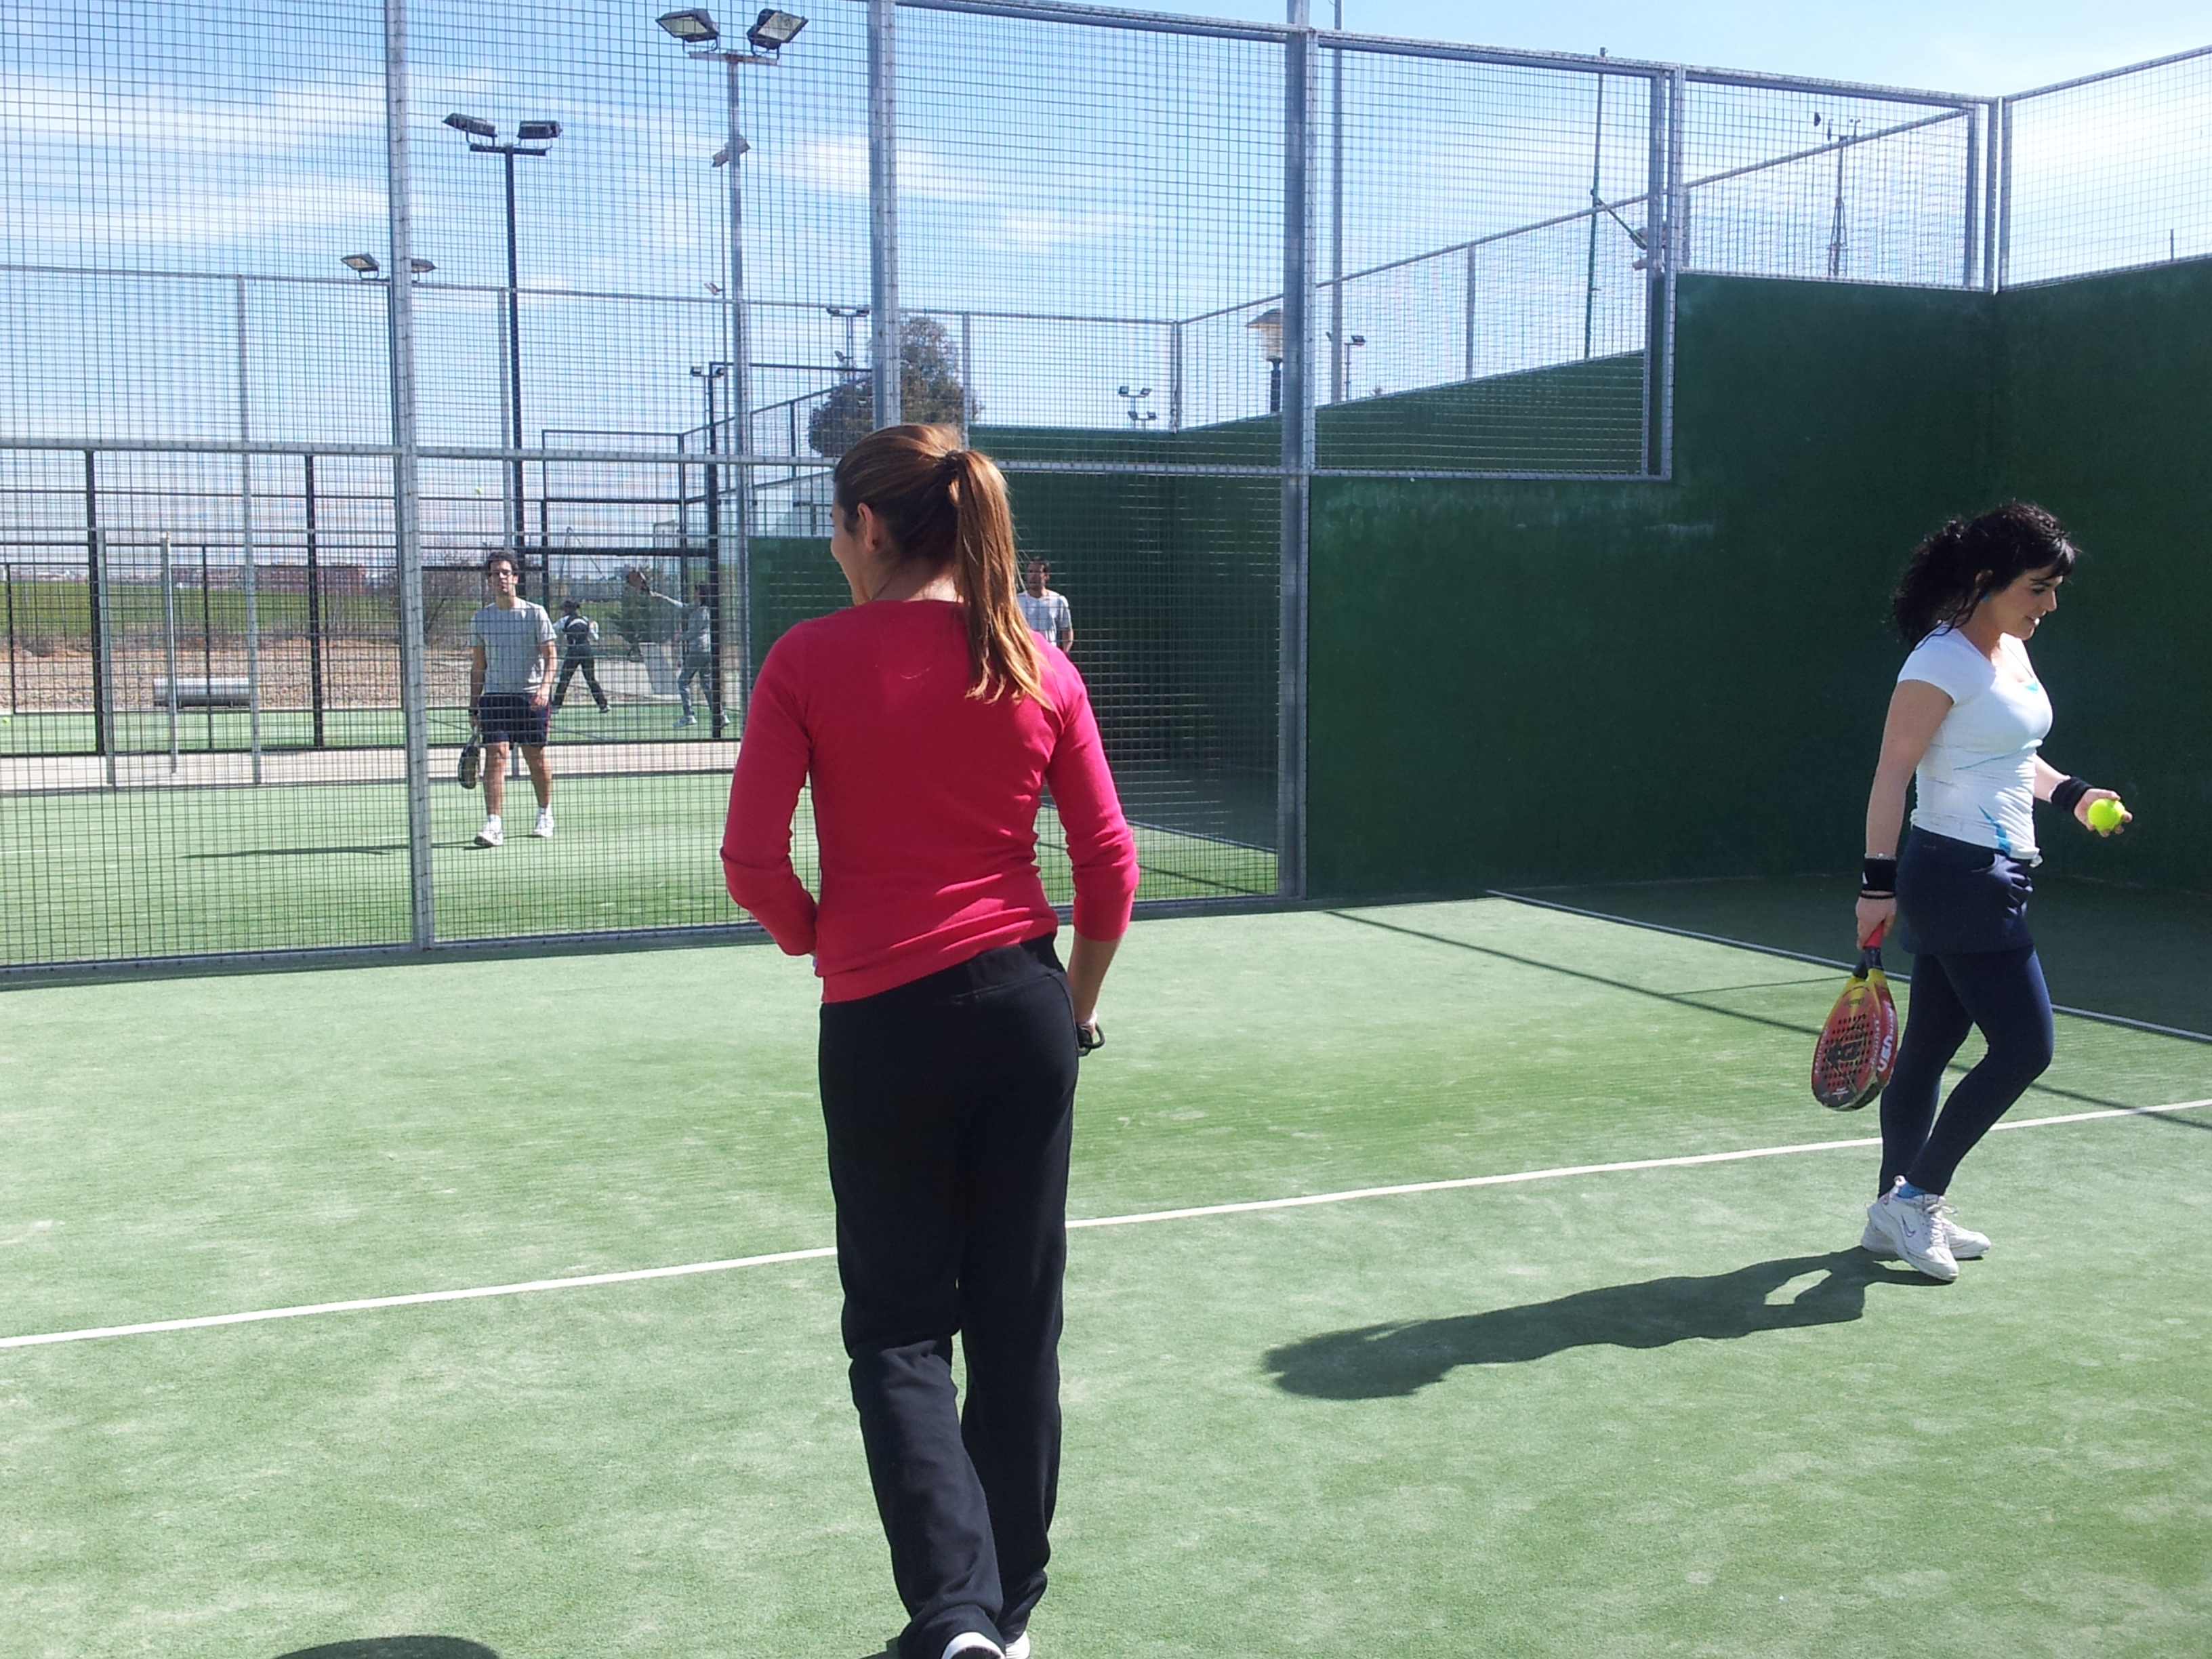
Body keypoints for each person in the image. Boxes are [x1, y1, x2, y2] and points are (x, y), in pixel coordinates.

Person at [721, 424, 1137, 1659]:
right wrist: (1074, 999)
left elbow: (751, 863)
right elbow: (1109, 867)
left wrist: (820, 937)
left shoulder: (806, 659)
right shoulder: (1037, 664)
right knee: (1017, 1320)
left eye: (833, 528)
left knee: (900, 1327)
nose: (833, 550)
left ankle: (957, 1616)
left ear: (867, 526)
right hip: (1025, 1011)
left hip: (882, 1020)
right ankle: (1005, 1614)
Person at [1853, 503, 2131, 1281]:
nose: (2050, 604)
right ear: (1985, 580)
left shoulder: (2009, 649)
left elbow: (2010, 752)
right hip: (1958, 874)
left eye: (2054, 588)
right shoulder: (1939, 662)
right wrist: (1877, 883)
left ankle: (1891, 1211)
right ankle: (1917, 1198)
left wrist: (2072, 794)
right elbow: (1892, 774)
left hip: (1995, 872)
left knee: (1928, 1052)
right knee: (2026, 1047)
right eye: (2037, 588)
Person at [467, 552, 558, 847]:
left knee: (536, 758)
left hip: (531, 698)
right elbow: (478, 666)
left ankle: (544, 813)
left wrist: (544, 689)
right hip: (495, 698)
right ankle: (494, 825)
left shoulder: (535, 614)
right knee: (496, 755)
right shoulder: (481, 619)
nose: (501, 578)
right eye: (495, 574)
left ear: (515, 578)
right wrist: (474, 705)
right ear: (489, 580)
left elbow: (551, 657)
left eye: (505, 573)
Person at [551, 598, 610, 714]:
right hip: (587, 650)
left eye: (563, 610)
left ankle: (556, 706)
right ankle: (603, 705)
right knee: (591, 679)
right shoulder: (585, 620)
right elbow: (595, 637)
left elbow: (551, 629)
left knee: (564, 679)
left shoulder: (564, 620)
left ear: (567, 610)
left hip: (573, 651)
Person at [674, 583, 719, 732]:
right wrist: (661, 597)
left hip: (699, 651)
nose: (693, 593)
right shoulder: (698, 608)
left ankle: (689, 715)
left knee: (683, 681)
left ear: (700, 592)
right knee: (706, 684)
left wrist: (680, 637)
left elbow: (693, 633)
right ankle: (720, 715)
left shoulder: (702, 611)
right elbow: (682, 606)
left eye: (696, 590)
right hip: (706, 651)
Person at [1016, 558, 1072, 653]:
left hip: (1049, 655)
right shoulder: (1017, 601)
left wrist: (1063, 655)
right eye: (1030, 572)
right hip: (1025, 654)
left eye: (1037, 572)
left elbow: (1067, 630)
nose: (1033, 576)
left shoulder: (1058, 600)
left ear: (1046, 576)